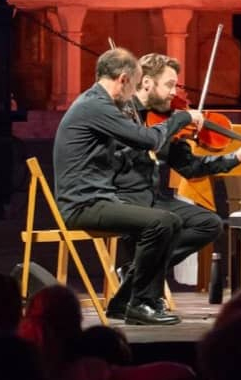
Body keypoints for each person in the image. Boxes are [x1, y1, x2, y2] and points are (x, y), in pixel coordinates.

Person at [104, 52, 241, 319]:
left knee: (209, 223)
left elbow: (190, 168)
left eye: (175, 86)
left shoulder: (169, 120)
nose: (173, 93)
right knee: (163, 224)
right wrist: (169, 127)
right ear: (146, 83)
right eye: (169, 85)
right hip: (123, 197)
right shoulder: (122, 112)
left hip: (152, 197)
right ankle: (142, 296)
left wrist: (236, 157)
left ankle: (136, 275)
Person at [52, 48, 201, 325]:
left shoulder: (98, 103)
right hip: (84, 204)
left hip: (101, 198)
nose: (132, 95)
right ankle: (139, 303)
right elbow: (147, 139)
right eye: (133, 85)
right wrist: (179, 119)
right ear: (123, 79)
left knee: (171, 221)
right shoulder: (96, 105)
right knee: (163, 222)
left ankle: (125, 301)